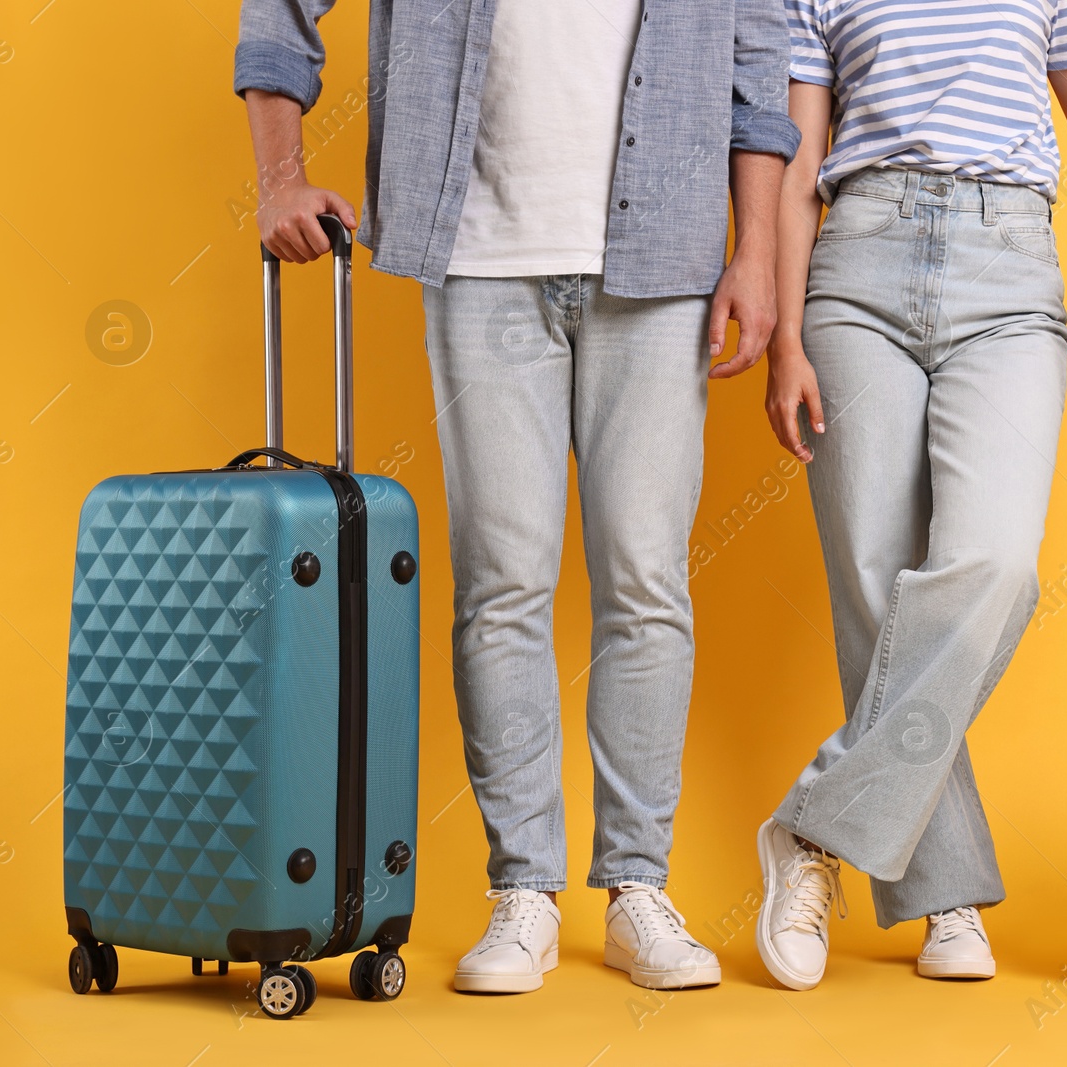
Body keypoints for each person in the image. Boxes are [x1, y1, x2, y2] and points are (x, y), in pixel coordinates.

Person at [235, 0, 799, 993]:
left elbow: (756, 63)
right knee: (502, 583)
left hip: (661, 259)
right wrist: (277, 177)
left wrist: (754, 254)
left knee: (646, 579)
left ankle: (636, 888)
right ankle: (523, 892)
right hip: (479, 258)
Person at [754, 0, 1067, 989]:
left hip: (1009, 268)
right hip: (859, 259)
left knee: (990, 566)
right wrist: (783, 339)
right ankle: (946, 896)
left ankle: (813, 826)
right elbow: (796, 159)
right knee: (875, 584)